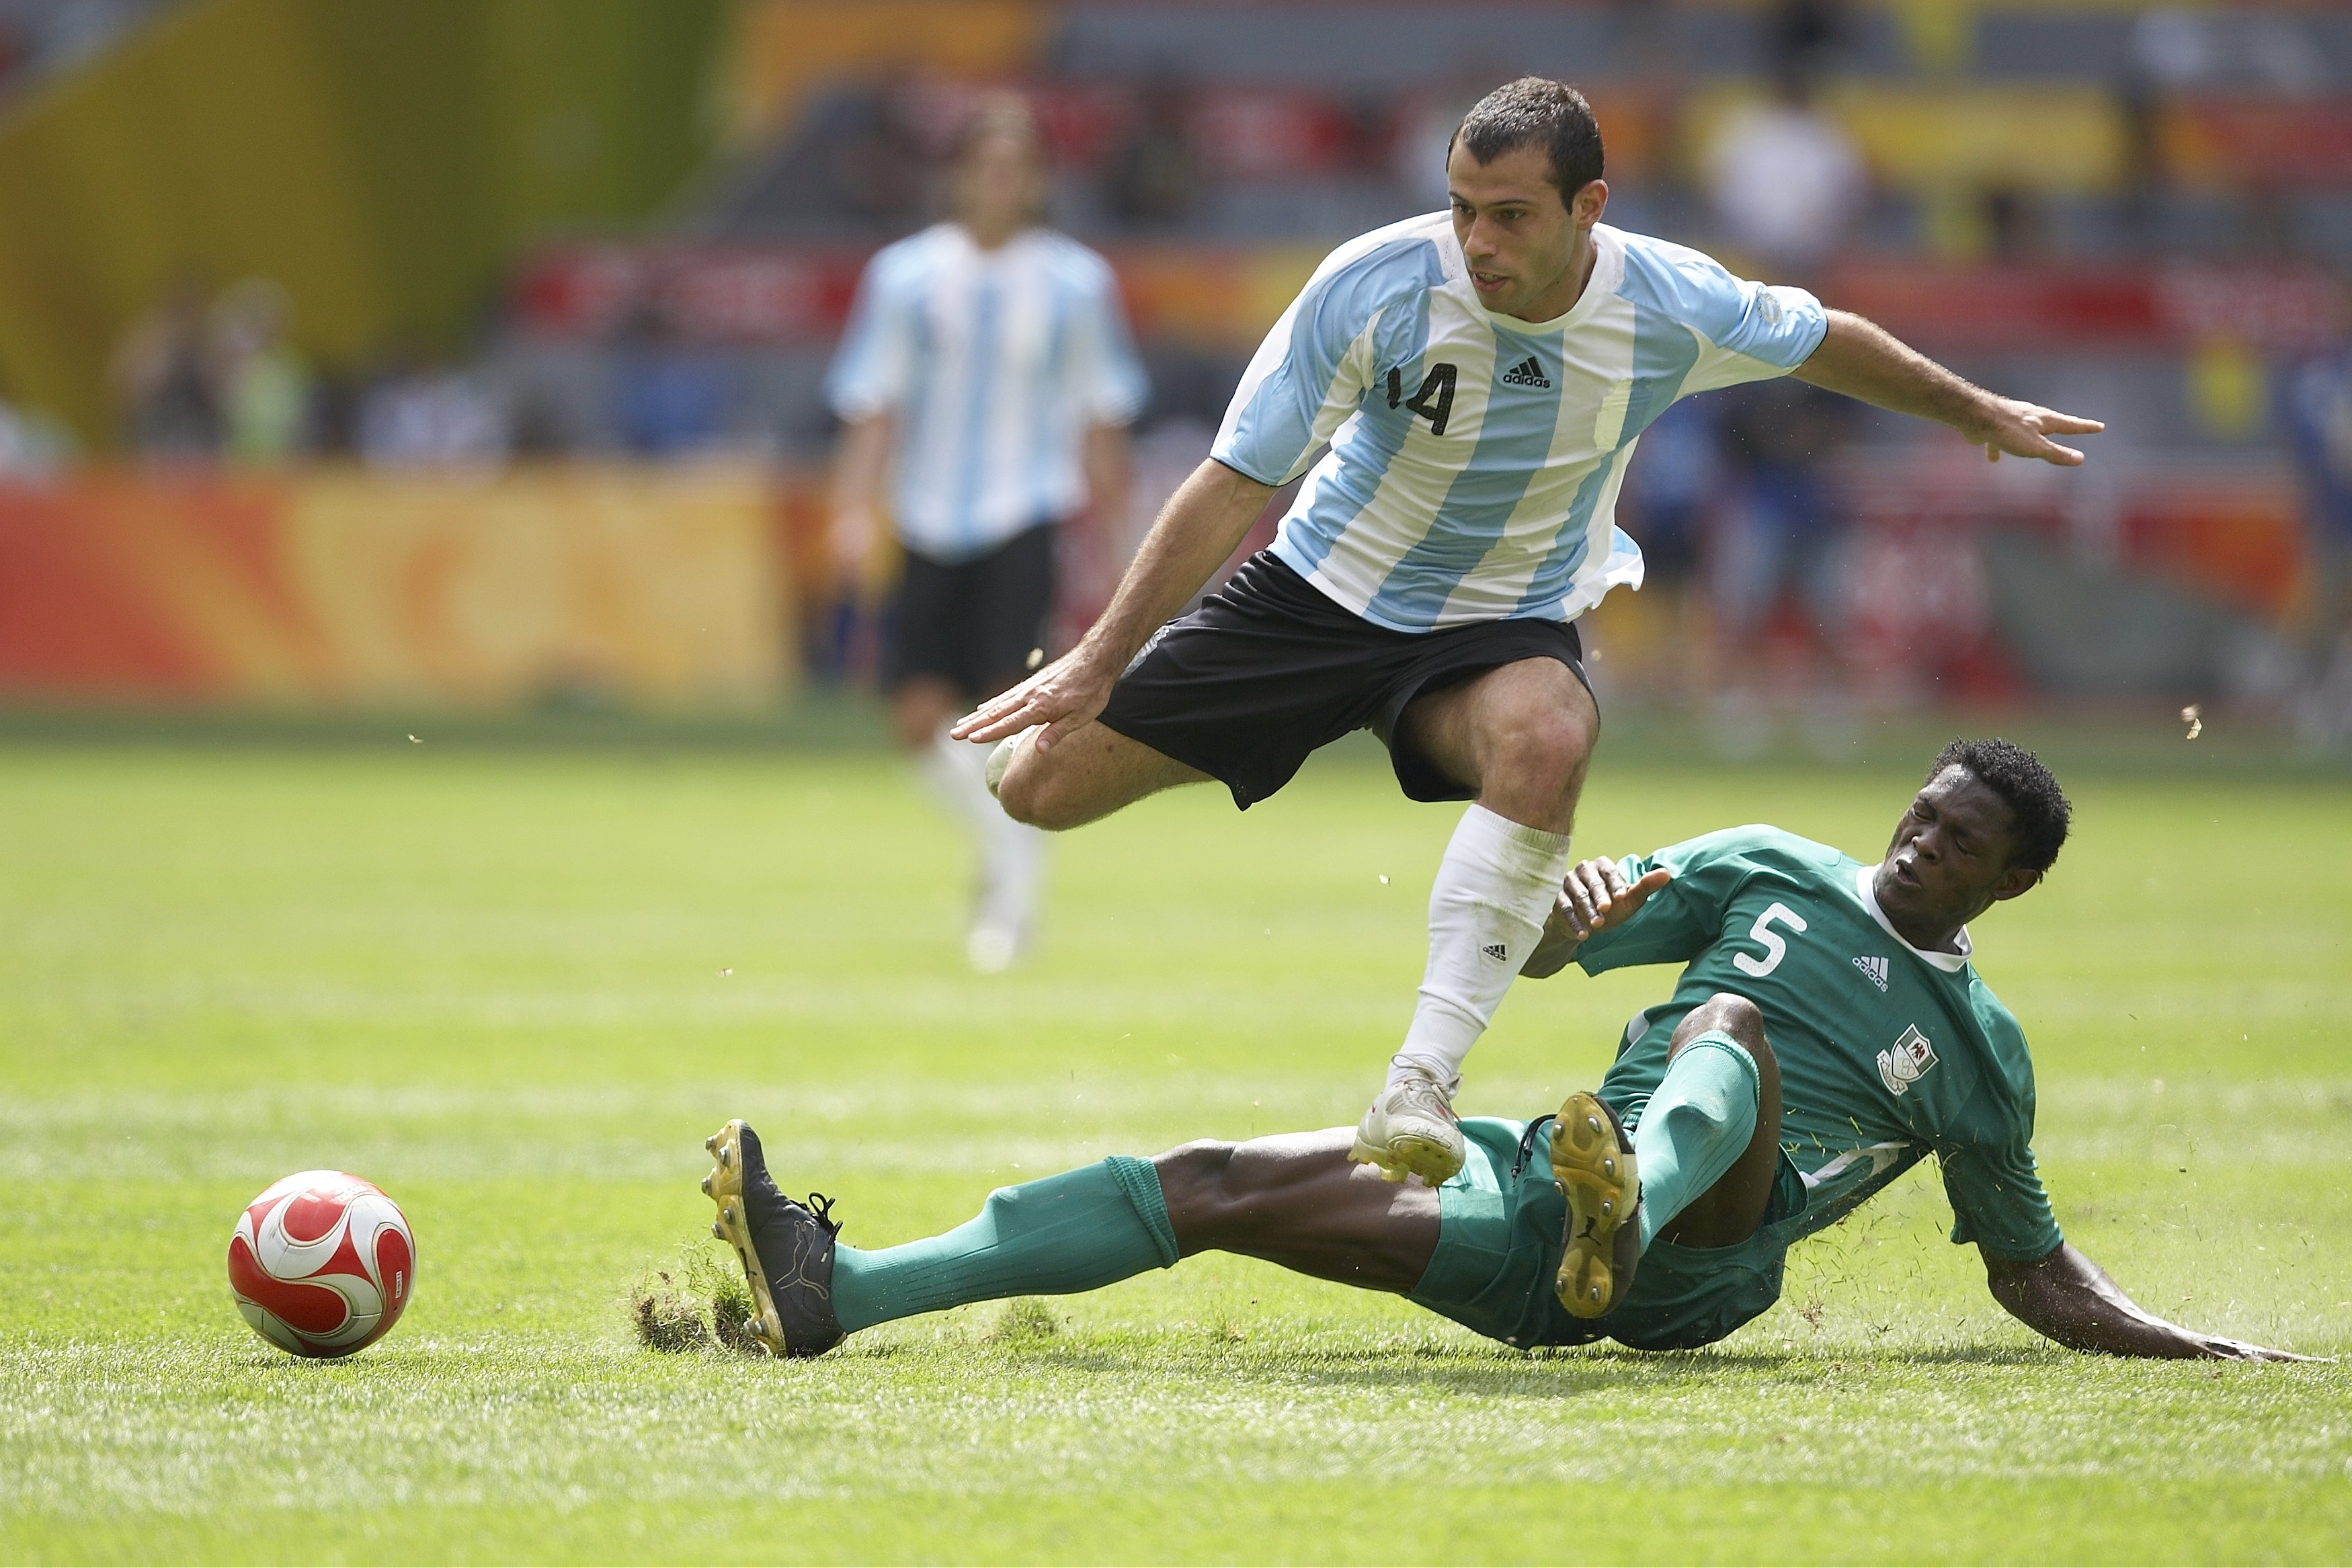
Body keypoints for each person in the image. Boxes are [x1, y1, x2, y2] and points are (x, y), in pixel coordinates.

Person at [955, 77, 2105, 1187]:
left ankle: (1420, 1082)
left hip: (1496, 626)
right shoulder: (1374, 283)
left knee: (1553, 731)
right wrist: (1098, 659)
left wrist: (1975, 411)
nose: (1477, 241)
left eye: (1508, 216)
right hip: (1317, 595)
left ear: (1587, 208)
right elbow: (1230, 481)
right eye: (1462, 209)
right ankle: (1220, 731)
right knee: (1034, 790)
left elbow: (1823, 338)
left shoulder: (1668, 301)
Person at [702, 739, 2303, 1364]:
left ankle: (1634, 1217)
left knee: (1730, 1030)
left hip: (1703, 1265)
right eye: (1919, 814)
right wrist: (1567, 914)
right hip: (1547, 1180)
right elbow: (1544, 944)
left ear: (2007, 886)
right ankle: (844, 1291)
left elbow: (2032, 1271)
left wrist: (2208, 1350)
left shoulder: (1975, 1050)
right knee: (1204, 1185)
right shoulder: (1768, 865)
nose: (1913, 848)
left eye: (1955, 848)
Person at [827, 93, 1147, 973]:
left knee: (1006, 718)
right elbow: (874, 404)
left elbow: (1100, 416)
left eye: (1018, 167)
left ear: (1039, 180)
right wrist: (853, 510)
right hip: (926, 514)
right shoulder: (905, 276)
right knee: (916, 722)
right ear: (960, 175)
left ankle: (1009, 906)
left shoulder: (1076, 284)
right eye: (986, 164)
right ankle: (1010, 853)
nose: (1001, 182)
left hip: (1025, 511)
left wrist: (1123, 538)